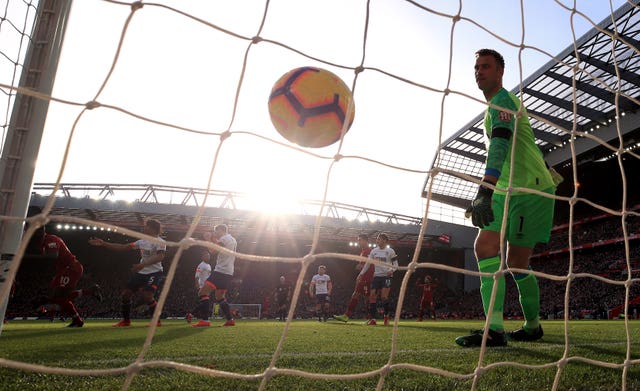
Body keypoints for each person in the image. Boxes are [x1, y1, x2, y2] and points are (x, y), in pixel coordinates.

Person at [455, 48, 556, 347]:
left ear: (500, 72)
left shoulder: (504, 101)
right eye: (476, 67)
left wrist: (484, 189)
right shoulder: (494, 106)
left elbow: (499, 144)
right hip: (507, 187)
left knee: (517, 262)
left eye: (485, 66)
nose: (479, 71)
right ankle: (495, 329)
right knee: (485, 246)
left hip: (529, 188)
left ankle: (531, 326)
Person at [24, 206, 101, 328]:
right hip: (63, 270)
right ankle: (89, 293)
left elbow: (52, 256)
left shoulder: (51, 239)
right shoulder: (41, 242)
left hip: (71, 268)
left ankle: (78, 320)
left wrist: (26, 256)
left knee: (59, 298)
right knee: (57, 298)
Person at [88, 219, 166, 327]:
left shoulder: (160, 241)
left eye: (146, 226)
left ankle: (156, 321)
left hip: (154, 272)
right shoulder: (142, 241)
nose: (144, 228)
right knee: (125, 295)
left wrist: (142, 265)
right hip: (141, 272)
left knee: (148, 296)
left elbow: (160, 257)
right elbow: (123, 247)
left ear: (152, 228)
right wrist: (103, 243)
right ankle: (126, 321)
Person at [191, 224, 238, 327]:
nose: (215, 234)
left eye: (216, 231)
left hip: (221, 271)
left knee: (202, 292)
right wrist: (212, 239)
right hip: (229, 272)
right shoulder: (233, 240)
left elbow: (213, 250)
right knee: (219, 296)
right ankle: (230, 320)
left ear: (220, 230)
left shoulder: (225, 238)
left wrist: (208, 239)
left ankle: (205, 320)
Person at [334, 234, 373, 323]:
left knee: (366, 297)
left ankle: (369, 318)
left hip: (367, 277)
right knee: (359, 295)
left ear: (365, 241)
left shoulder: (369, 251)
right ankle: (348, 316)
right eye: (358, 240)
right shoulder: (363, 251)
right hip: (363, 277)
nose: (358, 242)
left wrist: (361, 266)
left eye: (360, 240)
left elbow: (371, 264)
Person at [361, 233, 397, 326]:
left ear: (385, 240)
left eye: (379, 239)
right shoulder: (374, 251)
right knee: (372, 296)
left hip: (387, 276)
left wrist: (391, 270)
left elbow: (396, 265)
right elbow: (368, 263)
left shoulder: (390, 251)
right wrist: (361, 274)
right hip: (377, 276)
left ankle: (386, 316)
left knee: (384, 297)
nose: (377, 240)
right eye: (377, 239)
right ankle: (373, 319)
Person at [186, 246, 212, 323]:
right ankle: (205, 319)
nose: (208, 257)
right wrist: (197, 284)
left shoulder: (209, 266)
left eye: (209, 256)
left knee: (204, 303)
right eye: (206, 256)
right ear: (202, 257)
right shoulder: (201, 265)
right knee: (206, 303)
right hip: (202, 286)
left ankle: (191, 314)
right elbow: (197, 275)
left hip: (207, 287)